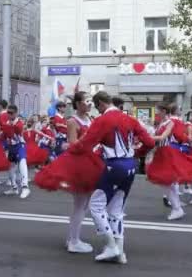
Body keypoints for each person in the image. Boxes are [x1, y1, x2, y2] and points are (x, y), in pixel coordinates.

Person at [67, 91, 155, 263]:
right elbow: (150, 143)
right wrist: (136, 154)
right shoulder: (129, 119)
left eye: (97, 107)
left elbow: (86, 144)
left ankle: (111, 246)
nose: (97, 111)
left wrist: (72, 150)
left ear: (101, 103)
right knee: (116, 210)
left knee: (96, 206)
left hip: (114, 166)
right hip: (131, 166)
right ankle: (120, 253)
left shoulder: (103, 120)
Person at [35, 91, 103, 254]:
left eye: (90, 101)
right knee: (80, 205)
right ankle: (73, 241)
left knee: (83, 204)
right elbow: (72, 143)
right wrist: (89, 142)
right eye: (87, 101)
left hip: (89, 160)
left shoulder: (90, 119)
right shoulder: (73, 121)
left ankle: (72, 238)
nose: (90, 104)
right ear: (78, 104)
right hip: (79, 163)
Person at [147, 103, 192, 221]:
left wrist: (146, 137)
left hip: (166, 153)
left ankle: (177, 208)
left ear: (163, 111)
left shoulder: (170, 122)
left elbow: (162, 137)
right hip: (161, 152)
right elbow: (159, 140)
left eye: (157, 111)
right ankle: (177, 208)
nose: (156, 113)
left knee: (166, 182)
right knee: (167, 183)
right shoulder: (162, 123)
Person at [1, 104, 31, 199]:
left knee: (22, 163)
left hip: (19, 145)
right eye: (8, 113)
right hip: (11, 147)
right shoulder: (6, 122)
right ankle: (14, 188)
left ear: (16, 113)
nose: (9, 115)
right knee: (10, 169)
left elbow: (18, 130)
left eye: (11, 113)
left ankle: (25, 187)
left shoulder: (19, 123)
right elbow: (4, 135)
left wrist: (9, 126)